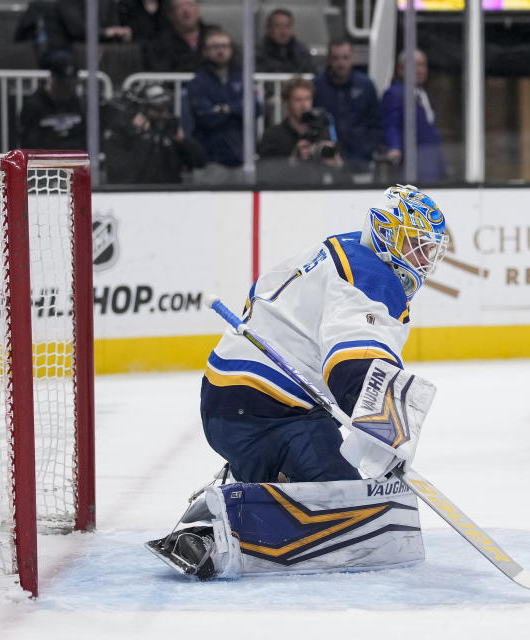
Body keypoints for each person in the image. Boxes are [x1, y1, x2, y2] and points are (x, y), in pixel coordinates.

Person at [146, 185, 447, 580]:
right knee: (350, 519)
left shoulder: (338, 249)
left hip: (229, 401)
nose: (424, 259)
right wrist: (386, 434)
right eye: (417, 246)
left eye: (429, 249)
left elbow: (263, 294)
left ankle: (247, 477)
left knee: (340, 490)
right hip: (267, 412)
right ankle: (214, 533)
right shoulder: (372, 276)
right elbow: (352, 366)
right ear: (389, 236)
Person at [187, 27, 259, 183]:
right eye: (215, 47)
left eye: (224, 46)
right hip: (210, 159)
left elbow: (256, 108)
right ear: (205, 51)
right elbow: (206, 117)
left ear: (231, 49)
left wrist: (224, 108)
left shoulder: (242, 78)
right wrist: (237, 108)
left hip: (241, 158)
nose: (220, 51)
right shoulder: (198, 82)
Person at [101, 83, 206, 184]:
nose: (163, 114)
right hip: (135, 193)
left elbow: (199, 162)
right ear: (141, 110)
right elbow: (121, 175)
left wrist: (183, 141)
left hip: (170, 193)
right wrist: (141, 136)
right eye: (157, 109)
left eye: (166, 109)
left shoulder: (169, 129)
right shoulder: (122, 132)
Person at [313, 39, 385, 175]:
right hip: (328, 161)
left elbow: (377, 122)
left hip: (361, 159)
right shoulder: (318, 86)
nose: (341, 63)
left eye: (345, 58)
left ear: (353, 58)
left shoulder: (366, 85)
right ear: (328, 59)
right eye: (336, 58)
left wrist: (368, 148)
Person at [257, 76, 344, 185]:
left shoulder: (323, 132)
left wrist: (337, 163)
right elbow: (263, 176)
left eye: (307, 98)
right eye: (298, 100)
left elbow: (342, 175)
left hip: (317, 193)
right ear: (286, 102)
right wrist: (292, 161)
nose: (304, 105)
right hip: (284, 194)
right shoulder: (272, 136)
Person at [380, 49, 446, 183]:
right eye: (414, 65)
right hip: (410, 163)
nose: (419, 70)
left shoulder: (424, 94)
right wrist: (394, 147)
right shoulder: (394, 93)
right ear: (400, 69)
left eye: (422, 65)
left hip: (431, 161)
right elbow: (391, 124)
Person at [17, 50, 86, 150]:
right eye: (64, 86)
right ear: (54, 79)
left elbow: (86, 139)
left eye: (72, 85)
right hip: (45, 161)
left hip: (77, 161)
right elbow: (29, 143)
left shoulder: (79, 103)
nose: (69, 90)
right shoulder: (34, 104)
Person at [144, 0, 216, 72]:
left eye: (190, 5)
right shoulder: (160, 43)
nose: (186, 10)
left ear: (198, 9)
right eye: (179, 7)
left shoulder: (214, 34)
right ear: (170, 14)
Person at [256, 8, 315, 74]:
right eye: (278, 26)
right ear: (268, 28)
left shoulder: (302, 52)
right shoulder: (257, 52)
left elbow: (312, 74)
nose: (284, 32)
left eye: (287, 26)